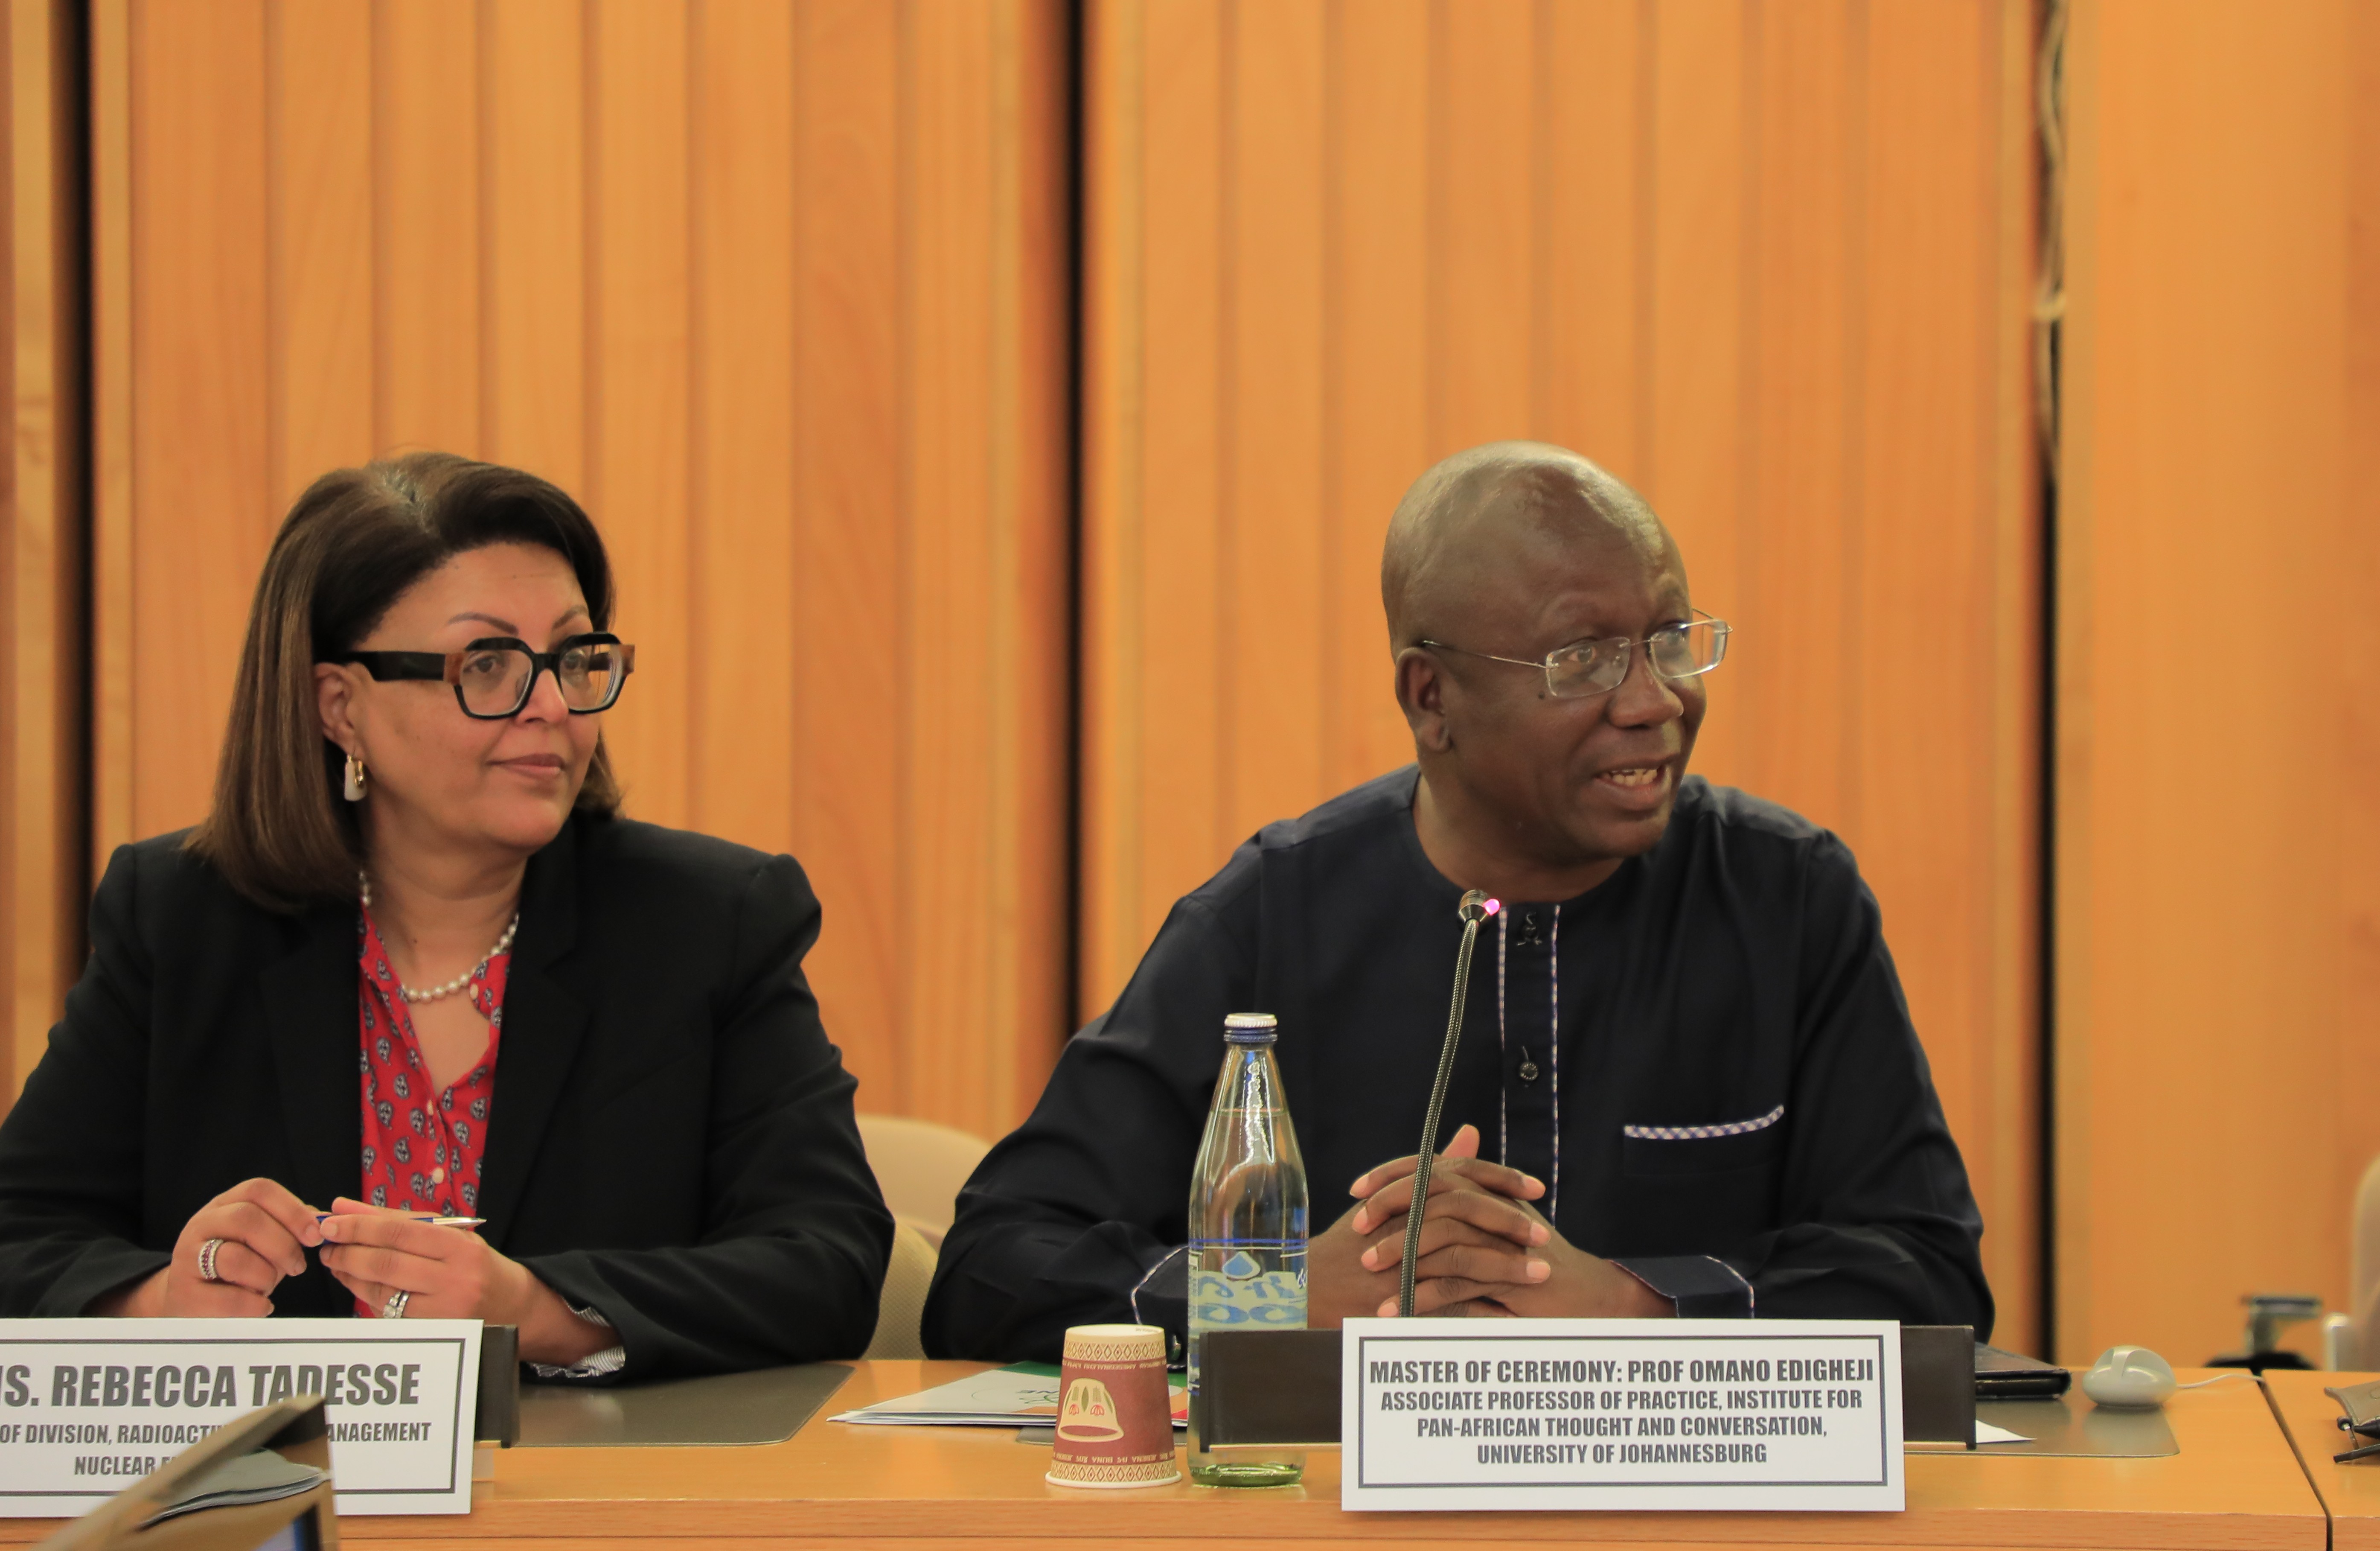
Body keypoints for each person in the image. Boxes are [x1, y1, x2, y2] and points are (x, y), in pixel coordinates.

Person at [925, 441, 1991, 1362]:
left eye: (1670, 639)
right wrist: (1276, 1297)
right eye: (1584, 659)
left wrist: (1634, 1302)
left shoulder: (1786, 899)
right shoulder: (1273, 913)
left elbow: (1930, 1280)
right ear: (1429, 697)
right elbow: (989, 1269)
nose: (1653, 699)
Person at [0, 452, 892, 1379]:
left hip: (592, 1502)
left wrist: (541, 1312)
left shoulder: (710, 921)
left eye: (574, 658)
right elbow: (21, 1233)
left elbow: (827, 1256)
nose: (550, 706)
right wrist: (161, 1304)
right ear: (339, 705)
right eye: (489, 664)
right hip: (273, 1498)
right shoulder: (183, 919)